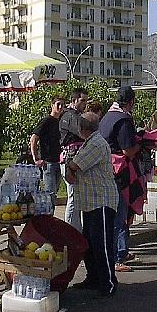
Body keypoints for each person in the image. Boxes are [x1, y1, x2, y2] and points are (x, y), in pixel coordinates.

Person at [65, 112, 119, 297]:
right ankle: (94, 277)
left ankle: (108, 282)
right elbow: (71, 168)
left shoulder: (96, 144)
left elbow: (75, 166)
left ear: (82, 128)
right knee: (89, 243)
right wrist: (69, 167)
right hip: (90, 201)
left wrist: (69, 166)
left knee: (102, 244)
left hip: (101, 201)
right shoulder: (90, 142)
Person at [99, 85, 141, 273]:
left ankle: (121, 251)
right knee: (120, 215)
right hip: (119, 173)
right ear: (131, 102)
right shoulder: (123, 119)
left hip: (106, 171)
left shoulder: (107, 117)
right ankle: (115, 258)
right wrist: (141, 145)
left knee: (118, 214)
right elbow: (127, 150)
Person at [59, 88, 89, 231]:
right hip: (70, 158)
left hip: (72, 158)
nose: (85, 104)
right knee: (73, 196)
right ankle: (71, 229)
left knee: (76, 196)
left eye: (86, 101)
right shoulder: (71, 116)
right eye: (82, 101)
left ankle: (75, 228)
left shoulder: (69, 115)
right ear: (74, 100)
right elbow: (83, 134)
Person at [30, 97, 65, 194]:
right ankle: (49, 209)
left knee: (55, 191)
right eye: (58, 104)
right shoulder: (46, 121)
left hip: (60, 161)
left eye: (62, 105)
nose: (60, 107)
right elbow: (33, 139)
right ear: (52, 105)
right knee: (50, 193)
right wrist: (36, 158)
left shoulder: (62, 122)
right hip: (48, 162)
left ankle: (51, 209)